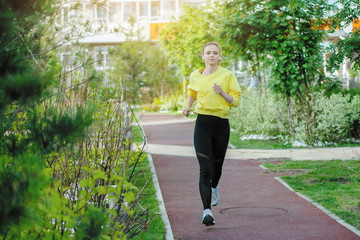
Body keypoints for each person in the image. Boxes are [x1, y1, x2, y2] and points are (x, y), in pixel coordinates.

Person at [182, 41, 241, 226]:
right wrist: (187, 106)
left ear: (220, 56)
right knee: (204, 167)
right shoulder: (195, 75)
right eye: (208, 52)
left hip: (221, 124)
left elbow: (235, 101)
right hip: (203, 124)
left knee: (217, 166)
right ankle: (206, 211)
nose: (212, 55)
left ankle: (214, 186)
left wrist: (222, 93)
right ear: (203, 56)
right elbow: (192, 91)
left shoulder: (228, 75)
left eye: (215, 53)